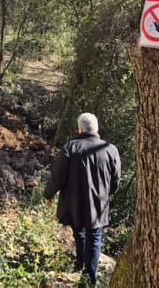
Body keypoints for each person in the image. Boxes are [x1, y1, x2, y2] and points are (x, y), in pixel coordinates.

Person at [44, 113, 121, 287]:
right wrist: (108, 194)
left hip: (74, 202)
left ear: (80, 129)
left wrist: (48, 194)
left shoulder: (70, 147)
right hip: (98, 203)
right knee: (94, 235)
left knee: (78, 229)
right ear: (97, 129)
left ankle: (80, 262)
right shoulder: (111, 149)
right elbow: (116, 180)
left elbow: (58, 176)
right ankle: (90, 278)